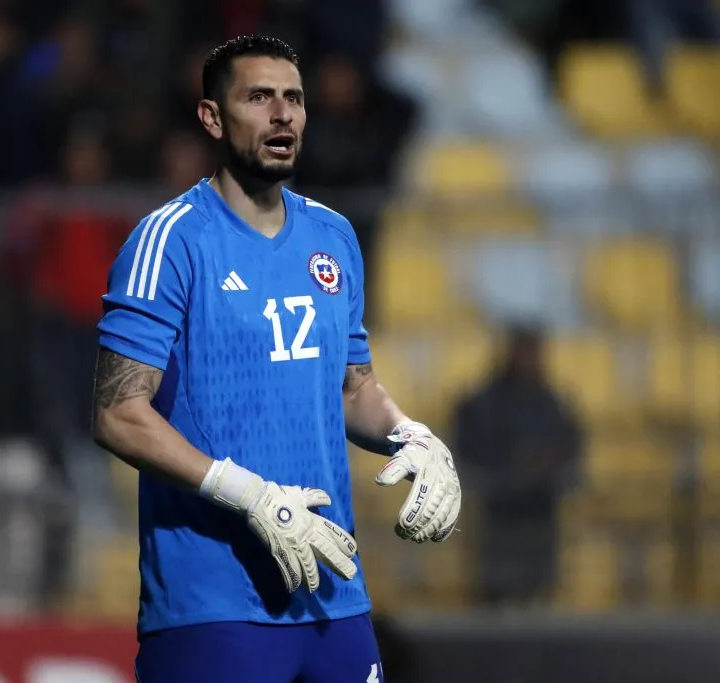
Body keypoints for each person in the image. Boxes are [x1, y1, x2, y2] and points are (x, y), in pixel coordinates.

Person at [92, 35, 461, 683]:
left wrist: (413, 434)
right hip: (213, 607)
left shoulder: (333, 236)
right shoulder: (170, 240)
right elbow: (119, 413)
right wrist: (250, 494)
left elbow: (353, 388)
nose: (282, 113)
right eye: (259, 97)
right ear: (212, 117)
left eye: (293, 98)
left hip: (332, 597)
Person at [454, 324, 580, 607]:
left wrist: (546, 465)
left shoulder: (552, 403)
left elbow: (570, 451)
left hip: (540, 512)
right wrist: (512, 469)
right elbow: (470, 453)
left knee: (538, 596)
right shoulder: (483, 404)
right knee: (496, 599)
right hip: (498, 515)